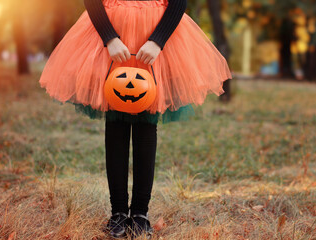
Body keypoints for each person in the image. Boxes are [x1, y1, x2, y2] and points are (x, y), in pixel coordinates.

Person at [39, 0, 232, 238]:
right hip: (112, 34)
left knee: (146, 125)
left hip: (154, 37)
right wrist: (109, 37)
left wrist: (157, 41)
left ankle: (140, 213)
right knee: (116, 123)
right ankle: (118, 212)